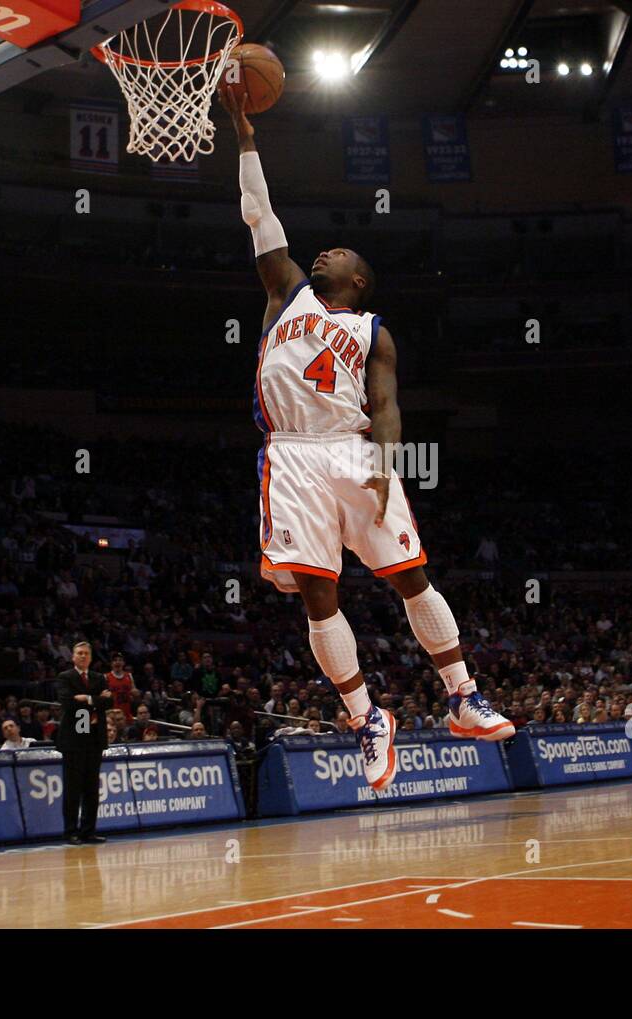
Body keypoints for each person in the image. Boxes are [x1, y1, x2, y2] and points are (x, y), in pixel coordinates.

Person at [218, 86, 512, 794]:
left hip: (352, 450)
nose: (324, 250)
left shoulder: (373, 329)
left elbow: (385, 406)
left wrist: (384, 464)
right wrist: (245, 137)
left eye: (339, 251)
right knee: (318, 595)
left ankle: (463, 696)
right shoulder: (284, 291)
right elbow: (260, 216)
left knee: (410, 576)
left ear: (359, 278)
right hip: (291, 452)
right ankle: (365, 717)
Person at [55, 641, 111, 845]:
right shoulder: (65, 677)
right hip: (74, 740)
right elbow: (68, 703)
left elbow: (109, 702)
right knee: (73, 788)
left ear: (91, 657)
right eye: (79, 653)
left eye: (86, 653)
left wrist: (86, 699)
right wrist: (96, 701)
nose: (83, 656)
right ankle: (71, 831)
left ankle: (89, 831)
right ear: (73, 656)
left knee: (91, 788)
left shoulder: (99, 677)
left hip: (94, 738)